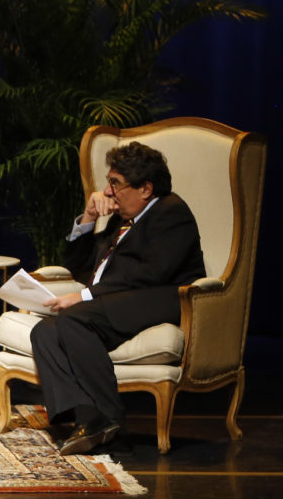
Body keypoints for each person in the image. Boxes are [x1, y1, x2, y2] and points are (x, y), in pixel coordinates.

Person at [31, 142, 205, 455]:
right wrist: (87, 217)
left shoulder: (171, 212)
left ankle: (111, 417)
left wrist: (84, 295)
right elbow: (77, 265)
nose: (108, 192)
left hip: (160, 299)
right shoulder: (123, 217)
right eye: (109, 182)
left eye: (116, 183)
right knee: (43, 330)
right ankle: (89, 419)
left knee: (73, 317)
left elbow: (151, 273)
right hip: (119, 301)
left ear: (145, 188)